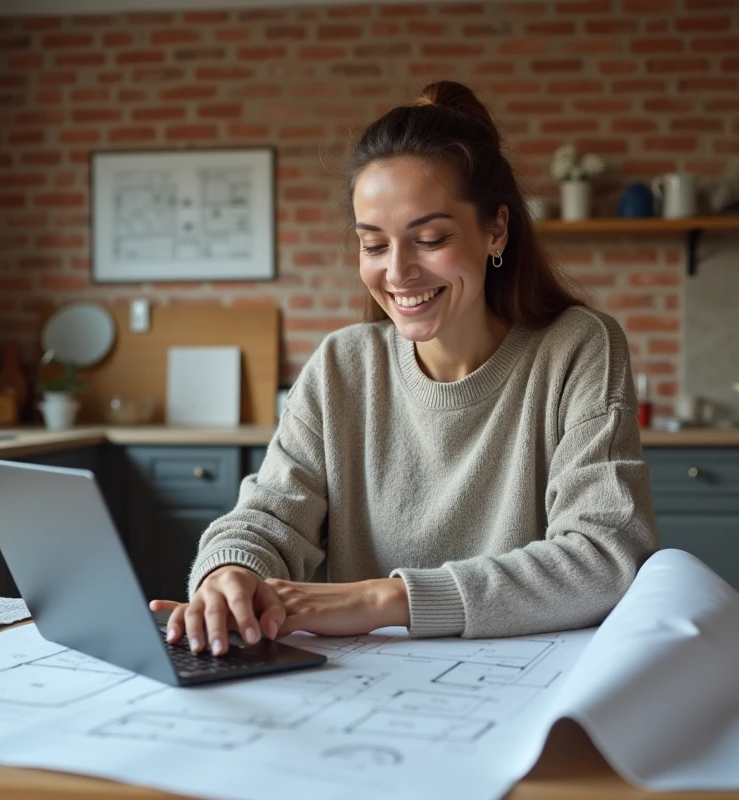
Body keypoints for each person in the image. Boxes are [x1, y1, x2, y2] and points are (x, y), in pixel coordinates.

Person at [150, 80, 658, 656]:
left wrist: (379, 601)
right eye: (373, 245)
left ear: (496, 229)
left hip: (526, 682)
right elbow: (267, 518)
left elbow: (604, 556)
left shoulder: (577, 347)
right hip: (367, 690)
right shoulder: (343, 365)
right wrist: (228, 573)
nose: (398, 272)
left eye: (431, 238)